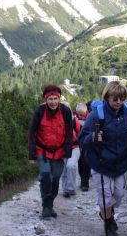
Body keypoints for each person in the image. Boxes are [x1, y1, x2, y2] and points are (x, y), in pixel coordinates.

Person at [79, 81, 127, 236]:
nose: (118, 102)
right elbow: (82, 138)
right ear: (107, 98)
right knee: (105, 196)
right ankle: (108, 223)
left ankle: (107, 213)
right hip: (101, 162)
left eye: (121, 98)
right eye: (115, 99)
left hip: (121, 162)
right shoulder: (96, 114)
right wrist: (92, 137)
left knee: (118, 195)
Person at [28, 84, 74, 218]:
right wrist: (32, 154)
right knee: (46, 175)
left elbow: (69, 133)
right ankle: (46, 208)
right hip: (42, 150)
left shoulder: (65, 111)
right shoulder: (40, 111)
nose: (53, 102)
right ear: (45, 99)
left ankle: (50, 204)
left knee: (55, 180)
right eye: (50, 99)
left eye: (55, 99)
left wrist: (68, 151)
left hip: (59, 151)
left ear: (59, 99)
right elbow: (32, 133)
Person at [60, 102, 82, 197]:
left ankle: (71, 188)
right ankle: (65, 190)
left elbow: (81, 134)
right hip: (62, 149)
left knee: (71, 165)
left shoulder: (75, 121)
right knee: (64, 169)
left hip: (75, 147)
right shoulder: (57, 122)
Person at [74, 103, 91, 191]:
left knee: (86, 162)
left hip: (87, 144)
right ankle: (82, 180)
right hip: (77, 144)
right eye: (79, 114)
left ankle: (85, 183)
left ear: (86, 111)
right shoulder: (74, 118)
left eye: (82, 114)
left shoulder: (90, 117)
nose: (80, 116)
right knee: (80, 163)